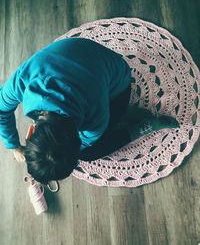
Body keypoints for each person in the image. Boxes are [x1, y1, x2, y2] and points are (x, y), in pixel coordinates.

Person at [0, 37, 179, 185]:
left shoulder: (96, 117)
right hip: (83, 55)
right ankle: (126, 113)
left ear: (31, 129)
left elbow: (83, 145)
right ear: (30, 131)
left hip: (119, 86)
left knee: (88, 154)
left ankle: (139, 128)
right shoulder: (22, 81)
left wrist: (15, 147)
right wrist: (14, 146)